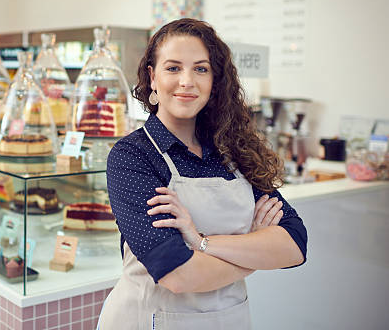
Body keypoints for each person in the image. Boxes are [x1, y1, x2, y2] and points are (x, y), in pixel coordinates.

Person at [97, 18, 307, 330]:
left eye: (201, 69)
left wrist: (201, 242)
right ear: (152, 77)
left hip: (230, 319)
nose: (187, 81)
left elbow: (295, 244)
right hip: (149, 320)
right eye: (172, 68)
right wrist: (254, 251)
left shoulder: (235, 150)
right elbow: (178, 274)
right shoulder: (133, 156)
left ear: (214, 80)